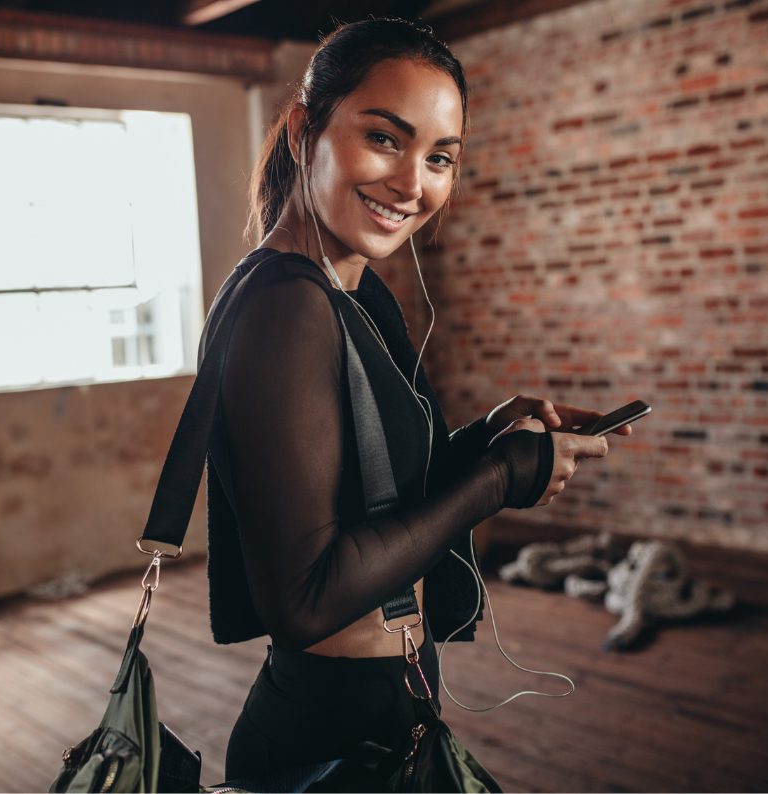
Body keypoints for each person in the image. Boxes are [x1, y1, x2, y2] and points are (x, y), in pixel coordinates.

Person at [201, 17, 633, 784]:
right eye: (384, 139)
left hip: (388, 710)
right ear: (305, 131)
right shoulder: (284, 307)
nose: (412, 184)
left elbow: (369, 493)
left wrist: (487, 441)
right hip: (320, 741)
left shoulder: (351, 290)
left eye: (439, 157)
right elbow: (304, 599)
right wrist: (496, 483)